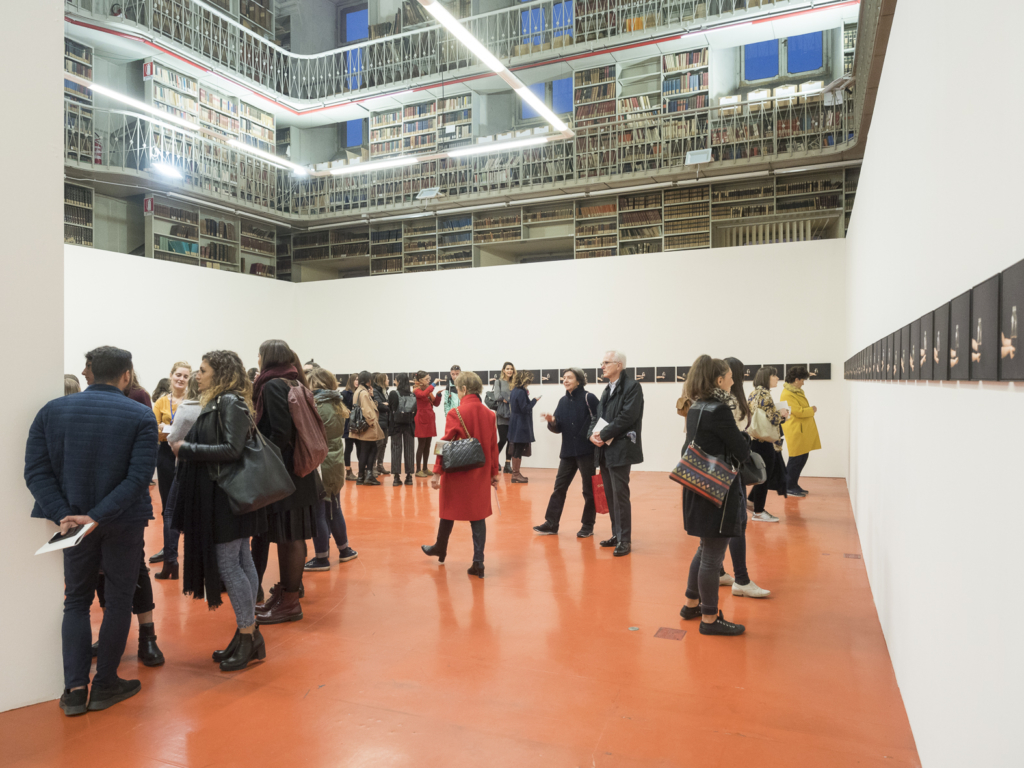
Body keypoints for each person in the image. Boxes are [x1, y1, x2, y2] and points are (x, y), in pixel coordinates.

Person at [25, 346, 159, 716]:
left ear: (87, 372)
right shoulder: (140, 416)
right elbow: (138, 479)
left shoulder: (51, 412)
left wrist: (65, 514)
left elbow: (36, 472)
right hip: (122, 521)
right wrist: (97, 515)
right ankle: (105, 685)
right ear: (127, 375)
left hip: (73, 522)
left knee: (76, 601)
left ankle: (73, 690)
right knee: (117, 601)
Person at [170, 351, 268, 669]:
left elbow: (232, 449)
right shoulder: (226, 400)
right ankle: (247, 635)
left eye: (203, 370)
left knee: (230, 565)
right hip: (227, 495)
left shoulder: (229, 402)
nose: (198, 375)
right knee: (240, 560)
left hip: (228, 497)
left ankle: (248, 633)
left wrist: (187, 449)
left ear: (220, 373)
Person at [80, 352, 165, 667]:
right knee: (102, 573)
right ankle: (110, 635)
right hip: (91, 502)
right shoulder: (79, 404)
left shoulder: (138, 399)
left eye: (86, 366)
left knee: (135, 569)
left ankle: (148, 635)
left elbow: (141, 461)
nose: (83, 371)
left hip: (125, 503)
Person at [250, 340, 322, 625]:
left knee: (289, 538)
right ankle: (286, 596)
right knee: (292, 537)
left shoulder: (271, 386)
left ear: (266, 358)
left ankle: (289, 602)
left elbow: (278, 433)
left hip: (285, 474)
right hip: (300, 473)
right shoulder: (295, 382)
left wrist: (258, 456)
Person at [678, 355, 749, 636]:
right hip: (716, 489)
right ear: (719, 380)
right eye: (730, 376)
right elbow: (741, 450)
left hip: (698, 486)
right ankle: (709, 619)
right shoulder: (719, 410)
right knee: (712, 557)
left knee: (705, 549)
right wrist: (745, 438)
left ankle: (690, 603)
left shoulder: (697, 406)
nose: (734, 380)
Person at [422, 372, 500, 578]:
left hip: (457, 471)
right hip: (480, 472)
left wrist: (436, 472)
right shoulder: (490, 414)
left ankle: (440, 547)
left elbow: (444, 444)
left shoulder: (455, 412)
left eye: (458, 388)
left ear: (464, 389)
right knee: (478, 515)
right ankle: (478, 562)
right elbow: (493, 446)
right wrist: (494, 473)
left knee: (448, 508)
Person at [719, 357, 770, 599]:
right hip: (729, 469)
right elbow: (737, 441)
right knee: (736, 522)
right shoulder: (730, 402)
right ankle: (741, 578)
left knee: (716, 523)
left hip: (716, 469)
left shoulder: (712, 401)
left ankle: (720, 572)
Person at [533, 367, 600, 537]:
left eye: (569, 377)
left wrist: (590, 438)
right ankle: (551, 523)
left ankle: (588, 525)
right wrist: (553, 421)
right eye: (564, 378)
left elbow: (599, 420)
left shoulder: (589, 398)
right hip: (568, 453)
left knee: (588, 490)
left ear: (579, 380)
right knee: (559, 488)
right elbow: (558, 428)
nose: (565, 380)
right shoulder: (562, 401)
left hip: (586, 452)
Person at [589, 350, 644, 557]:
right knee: (610, 495)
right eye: (602, 362)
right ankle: (616, 534)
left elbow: (627, 417)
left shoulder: (632, 387)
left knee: (620, 495)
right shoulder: (607, 389)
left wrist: (602, 434)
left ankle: (625, 539)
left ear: (619, 365)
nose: (602, 366)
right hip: (605, 448)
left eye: (606, 362)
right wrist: (591, 435)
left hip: (621, 448)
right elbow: (598, 416)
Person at [304, 366, 358, 570]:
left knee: (319, 512)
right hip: (333, 460)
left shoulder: (316, 405)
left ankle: (321, 557)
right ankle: (344, 550)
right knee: (334, 509)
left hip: (321, 464)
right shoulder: (335, 403)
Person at [150, 361, 192, 573]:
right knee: (168, 505)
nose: (181, 379)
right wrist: (169, 431)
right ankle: (169, 552)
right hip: (166, 455)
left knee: (188, 504)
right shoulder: (160, 403)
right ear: (171, 376)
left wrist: (170, 430)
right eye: (178, 374)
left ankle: (185, 551)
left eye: (185, 376)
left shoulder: (193, 402)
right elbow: (155, 432)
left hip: (187, 455)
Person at [747, 367, 790, 522]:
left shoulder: (753, 393)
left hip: (755, 440)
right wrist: (783, 415)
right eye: (774, 375)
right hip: (765, 441)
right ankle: (758, 512)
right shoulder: (765, 394)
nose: (777, 378)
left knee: (763, 475)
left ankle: (751, 502)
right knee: (764, 477)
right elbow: (773, 419)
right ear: (766, 377)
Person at [779, 365, 821, 497]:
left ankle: (793, 484)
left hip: (801, 429)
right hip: (796, 430)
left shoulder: (795, 391)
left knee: (802, 457)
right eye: (802, 380)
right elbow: (798, 412)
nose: (803, 383)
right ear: (796, 379)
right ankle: (788, 486)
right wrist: (811, 410)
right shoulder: (787, 394)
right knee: (796, 459)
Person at [351, 370, 385, 486]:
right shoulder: (363, 393)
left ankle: (361, 477)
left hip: (361, 426)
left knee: (365, 451)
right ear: (368, 380)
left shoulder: (359, 391)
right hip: (367, 427)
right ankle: (368, 476)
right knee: (371, 450)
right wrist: (372, 423)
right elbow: (367, 410)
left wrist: (372, 397)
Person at [506, 370, 539, 483]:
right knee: (518, 449)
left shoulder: (515, 390)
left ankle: (516, 473)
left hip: (515, 422)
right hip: (520, 423)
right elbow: (525, 408)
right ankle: (515, 474)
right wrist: (534, 401)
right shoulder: (520, 392)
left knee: (517, 448)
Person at [388, 372, 416, 486]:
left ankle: (396, 477)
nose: (394, 382)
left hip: (396, 426)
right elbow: (415, 411)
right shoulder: (412, 395)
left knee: (395, 449)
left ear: (399, 381)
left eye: (395, 380)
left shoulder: (393, 393)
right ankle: (409, 477)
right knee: (409, 450)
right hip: (409, 425)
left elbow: (390, 408)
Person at [414, 371, 443, 477]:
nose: (429, 381)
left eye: (429, 379)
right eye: (426, 379)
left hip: (429, 420)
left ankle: (425, 468)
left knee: (428, 445)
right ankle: (418, 470)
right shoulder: (416, 390)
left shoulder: (428, 391)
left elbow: (435, 403)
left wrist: (438, 395)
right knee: (421, 445)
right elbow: (422, 395)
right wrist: (433, 384)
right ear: (420, 381)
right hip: (421, 421)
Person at [492, 362, 515, 474]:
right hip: (502, 415)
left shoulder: (515, 383)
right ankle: (493, 459)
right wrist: (508, 398)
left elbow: (517, 397)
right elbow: (497, 396)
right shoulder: (499, 382)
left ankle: (507, 464)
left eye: (511, 369)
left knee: (511, 441)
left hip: (513, 415)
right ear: (503, 370)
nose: (509, 371)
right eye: (507, 369)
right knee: (503, 439)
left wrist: (507, 399)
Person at [372, 372, 391, 478]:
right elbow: (379, 406)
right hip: (379, 422)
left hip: (386, 421)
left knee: (384, 444)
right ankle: (374, 466)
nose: (389, 381)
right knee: (378, 445)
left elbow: (387, 404)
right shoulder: (375, 391)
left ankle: (380, 465)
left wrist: (387, 404)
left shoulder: (384, 392)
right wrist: (387, 405)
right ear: (382, 381)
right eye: (387, 379)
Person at [342, 374, 359, 482]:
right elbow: (340, 405)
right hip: (349, 424)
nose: (357, 381)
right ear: (352, 380)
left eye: (359, 380)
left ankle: (361, 470)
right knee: (349, 448)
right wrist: (347, 410)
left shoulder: (360, 392)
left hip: (358, 424)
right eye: (356, 379)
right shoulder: (345, 393)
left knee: (360, 447)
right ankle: (348, 471)